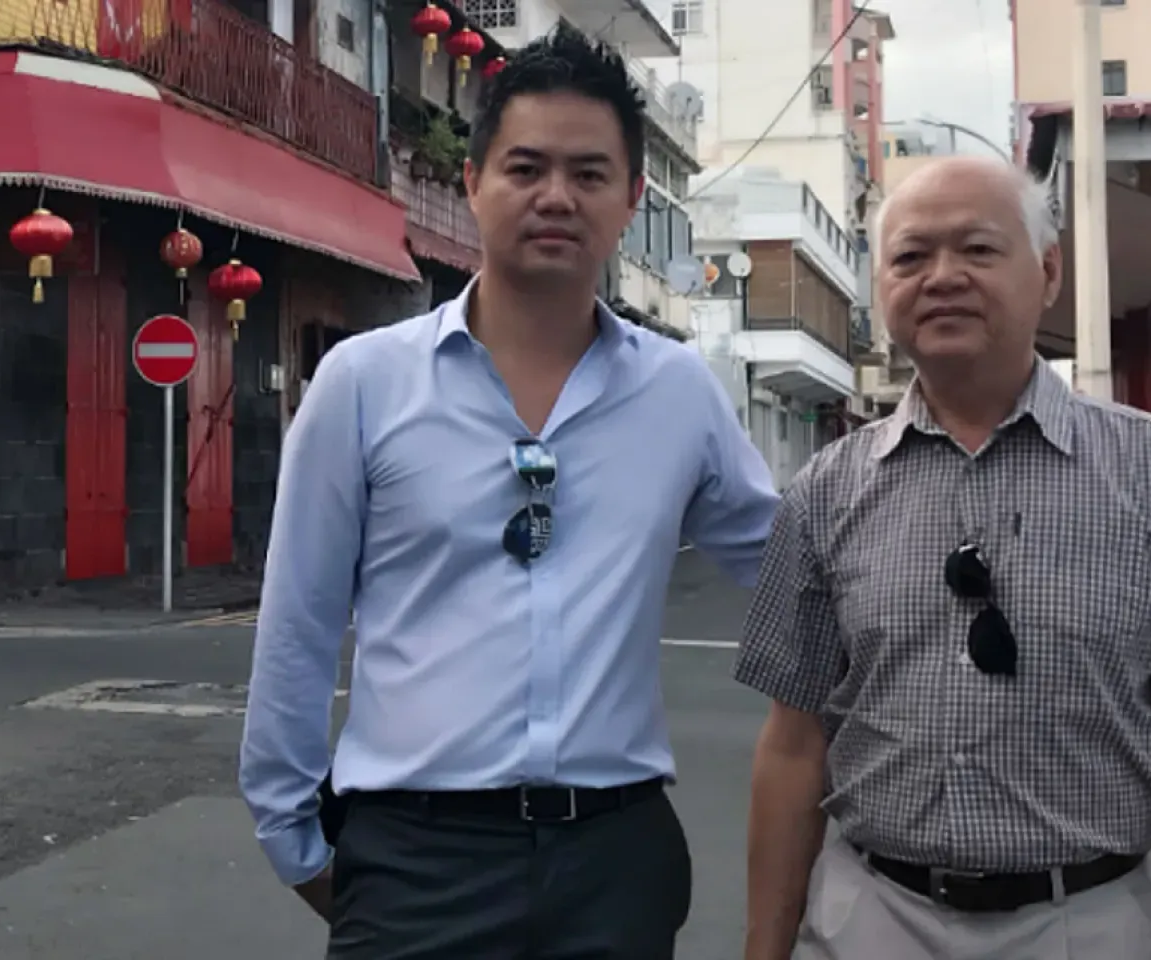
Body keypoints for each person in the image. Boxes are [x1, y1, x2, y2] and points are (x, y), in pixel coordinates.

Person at [238, 23, 779, 960]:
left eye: (589, 174)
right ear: (473, 179)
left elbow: (793, 563)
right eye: (526, 168)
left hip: (615, 860)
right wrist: (296, 840)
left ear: (631, 200)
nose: (556, 197)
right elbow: (297, 625)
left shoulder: (677, 392)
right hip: (412, 861)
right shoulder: (364, 385)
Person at [732, 155, 1151, 960]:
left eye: (978, 250)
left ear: (1048, 271)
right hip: (870, 918)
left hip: (1084, 923)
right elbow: (793, 744)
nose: (942, 277)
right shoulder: (825, 490)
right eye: (911, 257)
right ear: (880, 287)